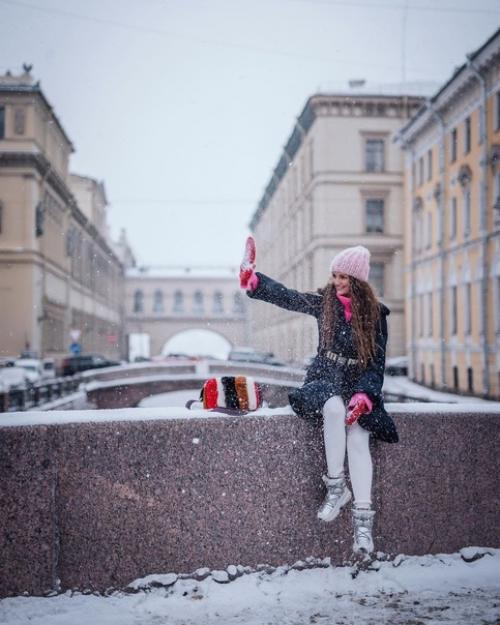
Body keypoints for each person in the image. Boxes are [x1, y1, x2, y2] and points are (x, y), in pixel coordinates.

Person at [239, 238, 398, 556]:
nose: (337, 281)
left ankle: (363, 529)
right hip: (325, 376)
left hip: (358, 384)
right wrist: (255, 281)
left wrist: (365, 395)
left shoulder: (376, 315)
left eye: (343, 276)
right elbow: (290, 298)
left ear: (357, 280)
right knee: (334, 410)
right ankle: (336, 488)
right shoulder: (325, 302)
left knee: (358, 437)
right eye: (335, 275)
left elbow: (376, 362)